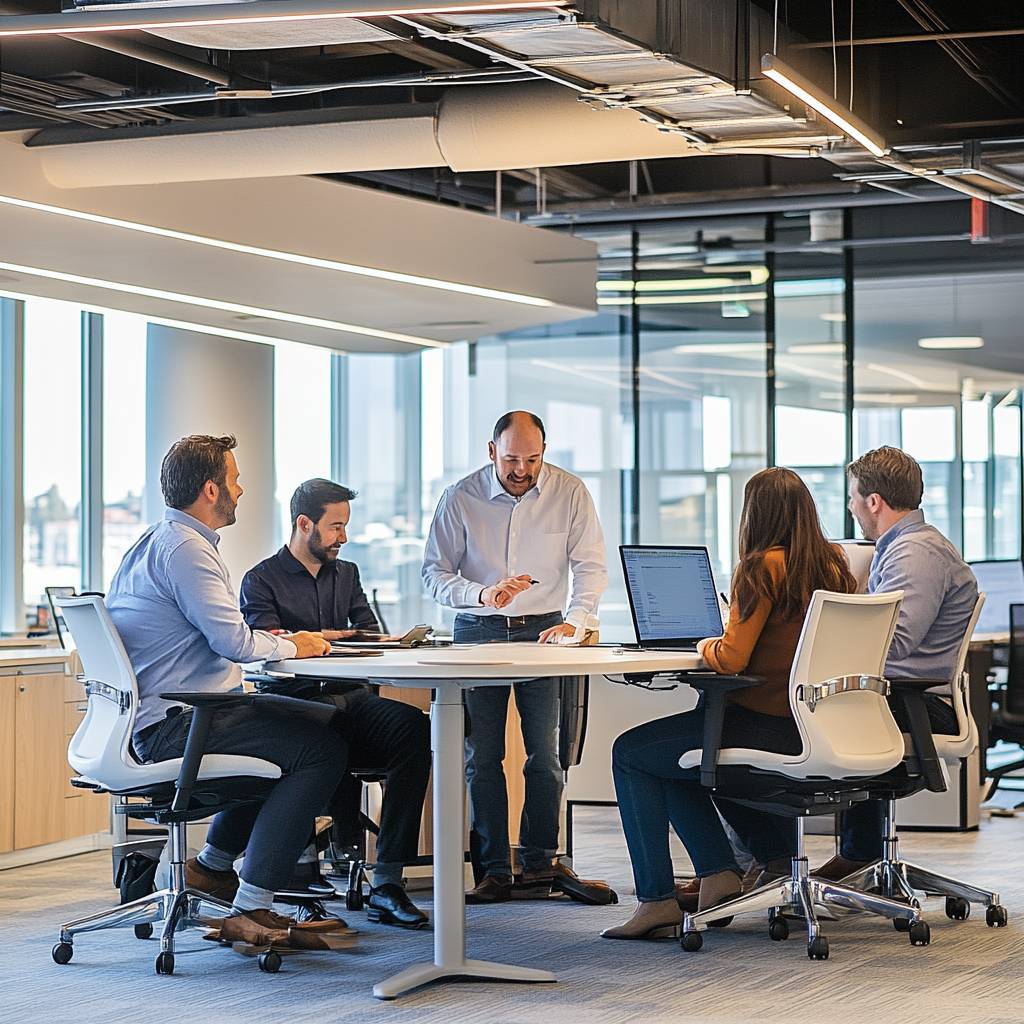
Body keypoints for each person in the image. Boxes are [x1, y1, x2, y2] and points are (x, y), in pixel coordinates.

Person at [106, 434, 349, 950]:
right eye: (235, 480)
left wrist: (274, 641)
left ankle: (212, 870)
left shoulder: (155, 541)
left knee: (310, 722)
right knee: (320, 750)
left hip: (156, 717)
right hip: (179, 722)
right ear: (212, 489)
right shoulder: (187, 550)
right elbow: (232, 642)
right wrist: (300, 646)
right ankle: (251, 905)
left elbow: (214, 633)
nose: (242, 489)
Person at [602, 467, 857, 940]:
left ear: (754, 515)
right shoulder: (835, 565)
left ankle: (657, 899)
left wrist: (705, 644)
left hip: (766, 723)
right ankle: (737, 870)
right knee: (677, 755)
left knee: (631, 754)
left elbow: (732, 656)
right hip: (813, 724)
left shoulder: (761, 567)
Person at [422, 410, 608, 903]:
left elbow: (590, 567)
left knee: (545, 756)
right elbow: (433, 573)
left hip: (546, 630)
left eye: (532, 459)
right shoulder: (460, 497)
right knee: (482, 757)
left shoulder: (569, 493)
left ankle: (540, 863)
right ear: (491, 451)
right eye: (511, 459)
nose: (522, 469)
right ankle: (492, 871)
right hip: (478, 629)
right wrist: (483, 594)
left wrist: (576, 620)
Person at [241, 478, 431, 929]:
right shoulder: (260, 579)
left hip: (348, 699)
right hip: (294, 706)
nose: (343, 538)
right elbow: (268, 645)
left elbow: (366, 629)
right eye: (336, 527)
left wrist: (349, 640)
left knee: (414, 730)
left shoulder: (346, 574)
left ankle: (386, 881)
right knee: (324, 737)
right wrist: (323, 639)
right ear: (304, 524)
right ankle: (304, 866)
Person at [814, 446, 979, 881]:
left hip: (916, 704)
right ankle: (850, 853)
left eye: (853, 497)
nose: (850, 507)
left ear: (874, 501)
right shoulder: (902, 548)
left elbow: (897, 643)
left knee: (781, 713)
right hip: (903, 698)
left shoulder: (915, 553)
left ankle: (773, 862)